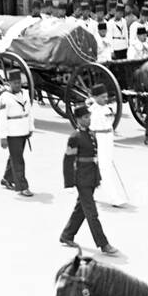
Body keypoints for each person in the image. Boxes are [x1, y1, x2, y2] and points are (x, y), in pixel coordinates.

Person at [59, 101, 117, 254]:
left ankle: (67, 235)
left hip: (91, 176)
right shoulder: (75, 137)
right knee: (91, 212)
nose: (88, 119)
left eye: (88, 116)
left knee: (81, 209)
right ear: (78, 119)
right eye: (85, 117)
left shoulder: (91, 134)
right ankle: (103, 244)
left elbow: (94, 158)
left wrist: (97, 177)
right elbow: (68, 160)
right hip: (82, 178)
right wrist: (69, 182)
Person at [0, 69, 33, 197]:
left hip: (23, 130)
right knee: (18, 160)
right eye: (14, 83)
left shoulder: (25, 93)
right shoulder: (4, 98)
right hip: (12, 132)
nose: (17, 85)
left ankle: (7, 178)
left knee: (15, 157)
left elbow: (29, 112)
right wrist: (3, 137)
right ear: (9, 83)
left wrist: (30, 128)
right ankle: (22, 187)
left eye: (19, 82)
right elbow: (1, 119)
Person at [88, 98, 128, 207]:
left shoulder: (107, 108)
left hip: (108, 138)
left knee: (104, 166)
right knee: (104, 168)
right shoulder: (92, 110)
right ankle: (114, 197)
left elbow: (110, 124)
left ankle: (88, 193)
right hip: (99, 139)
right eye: (101, 96)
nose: (105, 98)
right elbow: (90, 128)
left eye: (105, 95)